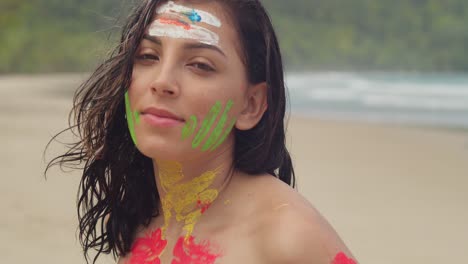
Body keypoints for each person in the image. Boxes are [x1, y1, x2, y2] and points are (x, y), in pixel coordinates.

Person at [46, 0, 357, 263]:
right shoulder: (141, 219)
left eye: (199, 65)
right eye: (148, 57)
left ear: (250, 104)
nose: (162, 81)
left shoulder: (287, 235)